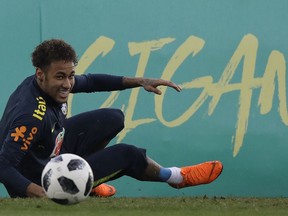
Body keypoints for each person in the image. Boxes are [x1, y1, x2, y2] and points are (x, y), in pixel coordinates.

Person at [0, 39, 223, 198]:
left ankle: (85, 181)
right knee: (127, 154)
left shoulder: (43, 83)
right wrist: (40, 193)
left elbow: (92, 82)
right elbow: (3, 166)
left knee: (112, 118)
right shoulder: (31, 117)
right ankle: (176, 177)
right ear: (41, 74)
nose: (68, 84)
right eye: (61, 77)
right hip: (43, 179)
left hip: (48, 152)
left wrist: (140, 81)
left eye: (70, 76)